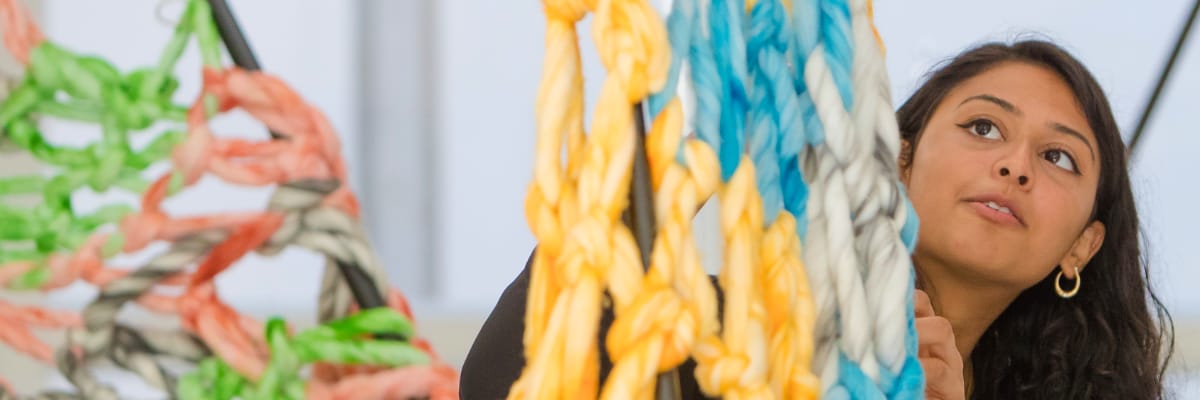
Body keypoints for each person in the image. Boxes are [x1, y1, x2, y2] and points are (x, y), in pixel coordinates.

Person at [459, 39, 1175, 400]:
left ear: (1081, 247)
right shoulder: (741, 337)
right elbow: (507, 380)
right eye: (984, 128)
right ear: (896, 162)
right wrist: (696, 141)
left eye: (1059, 157)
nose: (1016, 166)